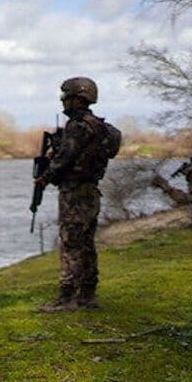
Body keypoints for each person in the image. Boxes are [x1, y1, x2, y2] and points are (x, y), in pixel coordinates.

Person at [34, 77, 120, 313]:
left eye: (67, 97)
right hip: (91, 191)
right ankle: (88, 294)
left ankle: (67, 297)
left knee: (71, 243)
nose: (64, 101)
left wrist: (44, 177)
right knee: (87, 243)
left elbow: (64, 160)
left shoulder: (78, 126)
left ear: (78, 99)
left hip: (74, 192)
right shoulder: (100, 127)